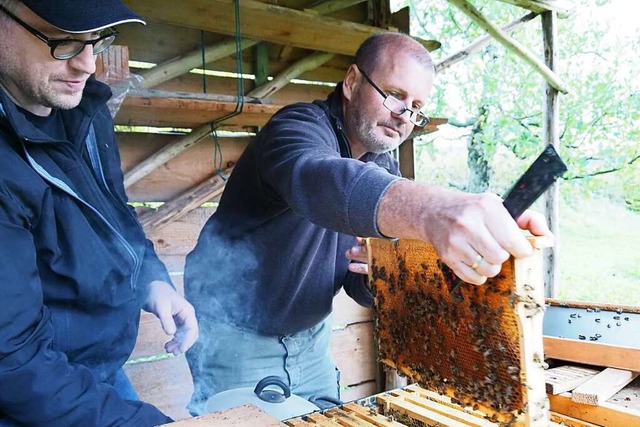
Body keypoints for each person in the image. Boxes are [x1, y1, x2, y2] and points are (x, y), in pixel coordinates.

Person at [183, 32, 550, 414]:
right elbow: (317, 179)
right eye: (394, 94)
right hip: (233, 338)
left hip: (310, 343)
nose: (404, 115)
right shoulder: (295, 128)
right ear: (352, 81)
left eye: (417, 106)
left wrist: (390, 271)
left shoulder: (382, 164)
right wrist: (433, 212)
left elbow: (361, 286)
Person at [0, 0, 198, 425]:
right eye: (64, 42)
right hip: (30, 398)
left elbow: (114, 215)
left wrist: (153, 282)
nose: (88, 64)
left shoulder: (83, 111)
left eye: (96, 41)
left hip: (95, 379)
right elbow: (12, 362)